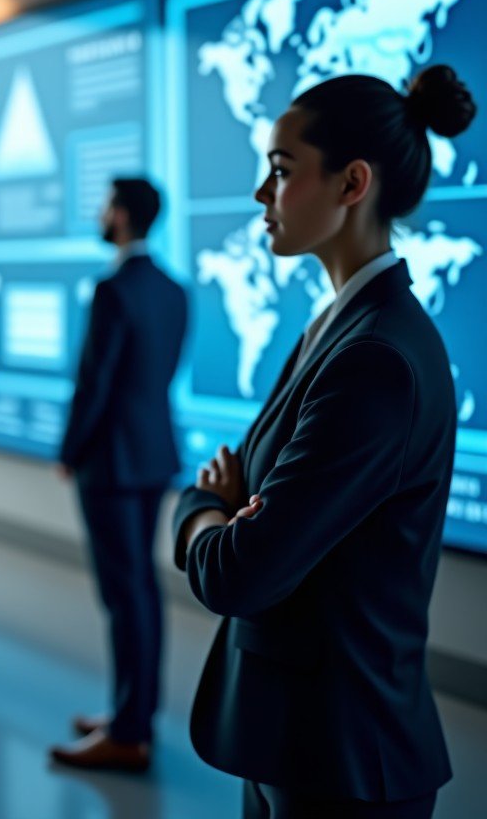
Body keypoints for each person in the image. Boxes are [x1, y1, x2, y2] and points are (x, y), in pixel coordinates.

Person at [173, 65, 476, 819]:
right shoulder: (340, 327)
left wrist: (204, 510)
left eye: (281, 171)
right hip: (294, 742)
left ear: (352, 184)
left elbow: (240, 575)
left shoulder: (375, 358)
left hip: (343, 760)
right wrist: (233, 514)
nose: (261, 194)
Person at [51, 177, 188, 772]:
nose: (100, 214)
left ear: (124, 216)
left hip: (109, 461)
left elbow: (96, 383)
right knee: (141, 592)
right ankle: (133, 715)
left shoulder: (113, 290)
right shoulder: (174, 290)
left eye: (107, 205)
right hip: (154, 455)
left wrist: (69, 449)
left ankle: (129, 733)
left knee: (123, 594)